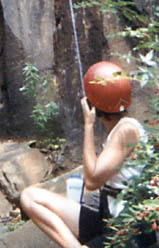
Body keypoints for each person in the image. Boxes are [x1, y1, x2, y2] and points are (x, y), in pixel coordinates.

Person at [20, 61, 146, 248]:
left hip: (128, 228)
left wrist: (88, 125)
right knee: (30, 197)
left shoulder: (126, 130)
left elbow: (92, 180)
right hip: (108, 218)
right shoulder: (120, 128)